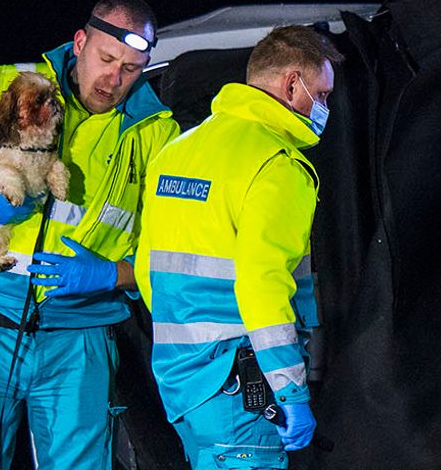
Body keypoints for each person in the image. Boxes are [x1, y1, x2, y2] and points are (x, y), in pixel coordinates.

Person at [0, 0, 179, 469]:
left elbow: (170, 253)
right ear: (80, 42)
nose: (114, 78)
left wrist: (112, 275)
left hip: (81, 337)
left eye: (131, 68)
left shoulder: (157, 134)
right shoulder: (12, 86)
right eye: (106, 59)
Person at [135, 25, 342, 470]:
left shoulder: (177, 151)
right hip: (241, 389)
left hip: (183, 384)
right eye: (321, 94)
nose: (324, 107)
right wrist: (290, 390)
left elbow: (146, 270)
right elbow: (262, 286)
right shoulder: (277, 165)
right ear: (291, 84)